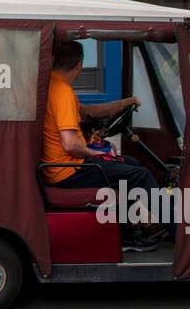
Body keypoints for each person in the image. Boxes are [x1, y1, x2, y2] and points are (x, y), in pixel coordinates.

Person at [41, 39, 163, 251]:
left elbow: (89, 112)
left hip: (62, 166)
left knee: (130, 164)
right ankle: (175, 229)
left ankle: (128, 233)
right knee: (141, 175)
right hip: (68, 170)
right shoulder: (63, 93)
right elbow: (70, 145)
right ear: (79, 64)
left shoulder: (53, 85)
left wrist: (125, 102)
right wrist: (95, 153)